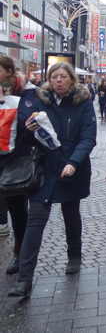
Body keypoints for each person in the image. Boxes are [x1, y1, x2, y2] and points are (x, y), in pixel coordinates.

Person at [8, 62, 97, 298]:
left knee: (71, 214)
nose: (58, 80)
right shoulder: (40, 101)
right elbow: (28, 136)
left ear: (71, 80)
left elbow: (88, 137)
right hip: (45, 168)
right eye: (54, 76)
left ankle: (74, 255)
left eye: (63, 76)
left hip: (71, 168)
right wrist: (28, 128)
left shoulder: (83, 102)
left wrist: (74, 162)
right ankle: (24, 280)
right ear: (49, 80)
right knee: (35, 222)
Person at [0, 56, 37, 276]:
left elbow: (31, 125)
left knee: (17, 209)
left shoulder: (27, 93)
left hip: (16, 158)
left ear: (9, 71)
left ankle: (20, 252)